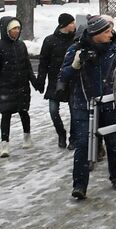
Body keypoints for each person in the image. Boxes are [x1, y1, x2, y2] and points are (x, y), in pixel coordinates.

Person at [61, 15, 116, 199]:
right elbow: (63, 76)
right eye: (106, 31)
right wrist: (75, 65)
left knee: (113, 142)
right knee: (83, 144)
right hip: (84, 104)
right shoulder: (77, 50)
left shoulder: (115, 50)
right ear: (95, 34)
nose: (110, 34)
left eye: (110, 30)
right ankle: (80, 185)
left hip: (109, 102)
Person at [0, 16, 37, 157]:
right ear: (6, 30)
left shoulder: (21, 45)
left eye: (18, 28)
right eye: (13, 28)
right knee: (6, 115)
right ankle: (5, 144)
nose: (17, 31)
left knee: (24, 112)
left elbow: (28, 67)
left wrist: (35, 83)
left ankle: (27, 137)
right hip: (5, 87)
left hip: (22, 86)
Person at [35, 13, 76, 148]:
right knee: (53, 110)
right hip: (54, 80)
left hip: (72, 80)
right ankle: (61, 134)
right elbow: (43, 62)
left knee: (74, 111)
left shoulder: (76, 40)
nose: (74, 25)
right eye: (71, 23)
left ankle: (73, 138)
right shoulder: (49, 41)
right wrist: (40, 80)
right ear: (63, 25)